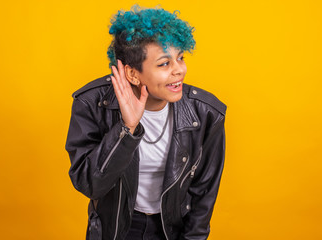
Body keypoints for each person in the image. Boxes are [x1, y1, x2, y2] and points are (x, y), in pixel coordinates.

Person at [65, 5, 226, 240]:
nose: (179, 70)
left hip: (172, 229)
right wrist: (126, 129)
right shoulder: (92, 104)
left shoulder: (206, 114)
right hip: (116, 229)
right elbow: (90, 185)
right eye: (164, 64)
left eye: (180, 58)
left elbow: (204, 194)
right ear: (132, 74)